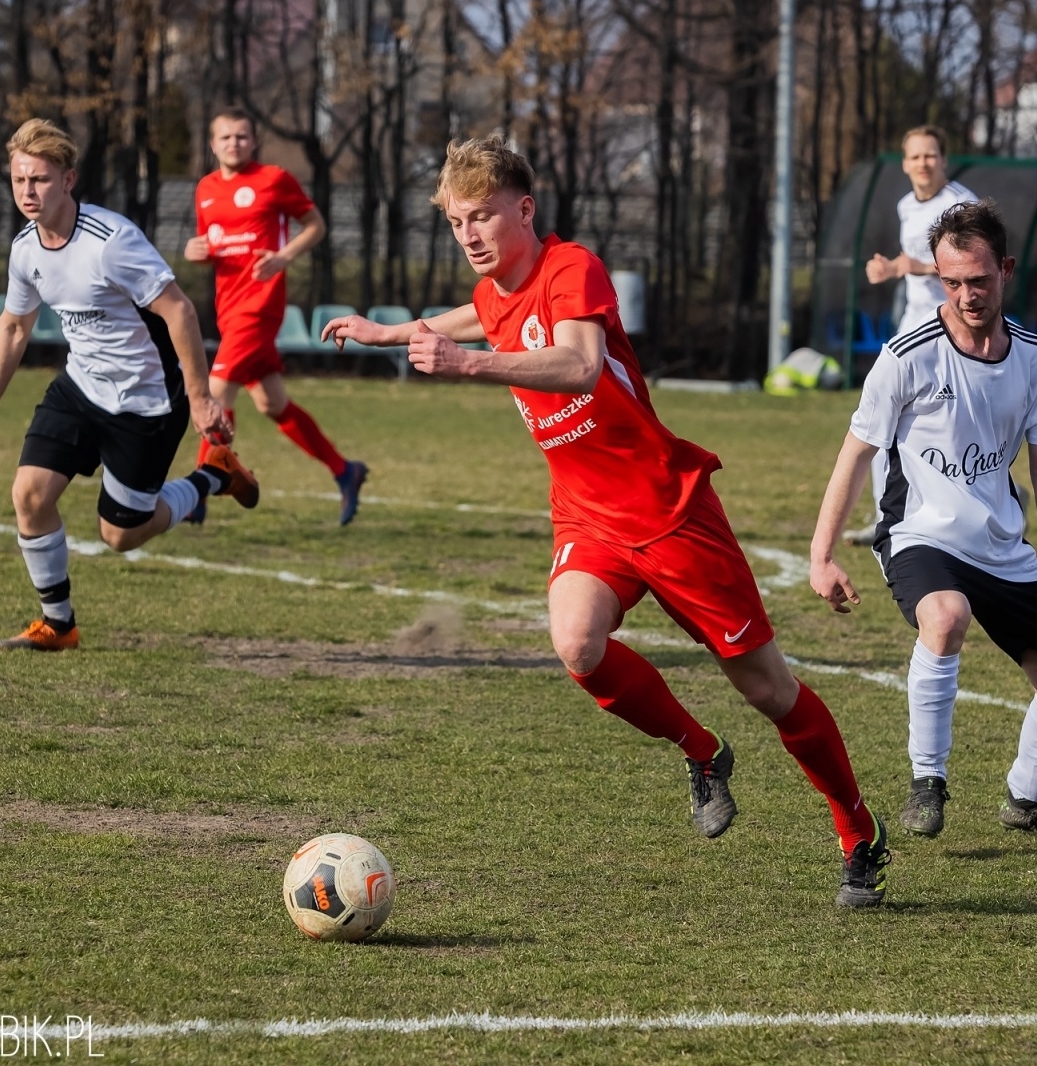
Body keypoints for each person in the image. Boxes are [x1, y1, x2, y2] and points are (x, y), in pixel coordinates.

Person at [321, 137, 892, 907]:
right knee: (577, 644)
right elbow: (481, 313)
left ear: (524, 209)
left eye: (483, 216)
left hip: (669, 511)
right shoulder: (495, 289)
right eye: (458, 222)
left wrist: (468, 364)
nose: (470, 235)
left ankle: (856, 827)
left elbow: (579, 361)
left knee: (769, 689)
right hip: (587, 515)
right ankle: (702, 751)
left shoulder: (572, 267)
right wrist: (389, 331)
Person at [810, 199, 1037, 843]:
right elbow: (856, 453)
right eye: (953, 282)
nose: (967, 294)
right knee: (945, 616)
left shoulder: (1033, 357)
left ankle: (1027, 802)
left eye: (980, 280)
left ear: (1006, 271)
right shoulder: (907, 356)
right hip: (920, 533)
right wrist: (821, 553)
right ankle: (926, 783)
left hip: (999, 542)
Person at [0, 119, 260, 651]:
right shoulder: (25, 249)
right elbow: (13, 326)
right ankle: (59, 625)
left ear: (69, 179)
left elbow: (180, 312)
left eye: (40, 180)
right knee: (29, 495)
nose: (28, 192)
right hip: (81, 389)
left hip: (147, 402)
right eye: (18, 181)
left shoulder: (112, 241)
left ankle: (213, 475)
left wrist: (199, 398)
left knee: (121, 534)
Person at [184, 107, 367, 526]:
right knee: (272, 402)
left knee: (214, 396)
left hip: (260, 306)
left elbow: (315, 225)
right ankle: (345, 471)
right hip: (228, 309)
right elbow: (210, 243)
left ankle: (197, 497)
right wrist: (198, 254)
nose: (235, 143)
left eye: (243, 136)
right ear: (213, 144)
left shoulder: (273, 180)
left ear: (254, 141)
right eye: (226, 137)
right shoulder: (206, 189)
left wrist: (283, 257)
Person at [850, 126, 978, 545]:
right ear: (905, 164)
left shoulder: (961, 205)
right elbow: (910, 262)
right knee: (879, 411)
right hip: (915, 325)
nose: (923, 163)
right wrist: (887, 269)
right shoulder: (907, 205)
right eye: (915, 157)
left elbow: (974, 268)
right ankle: (886, 516)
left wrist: (915, 266)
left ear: (943, 160)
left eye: (931, 156)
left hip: (957, 325)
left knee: (956, 425)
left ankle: (1006, 496)